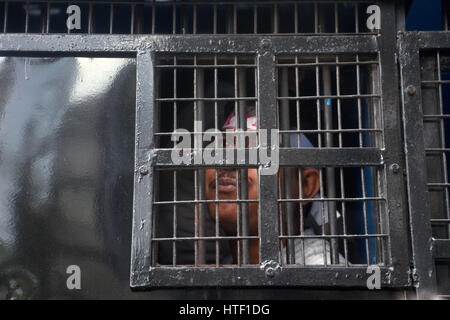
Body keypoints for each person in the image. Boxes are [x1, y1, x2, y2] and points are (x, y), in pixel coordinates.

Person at [205, 106, 345, 265]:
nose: (227, 162)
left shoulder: (319, 269)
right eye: (223, 147)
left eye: (254, 150)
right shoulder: (230, 265)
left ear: (306, 186)